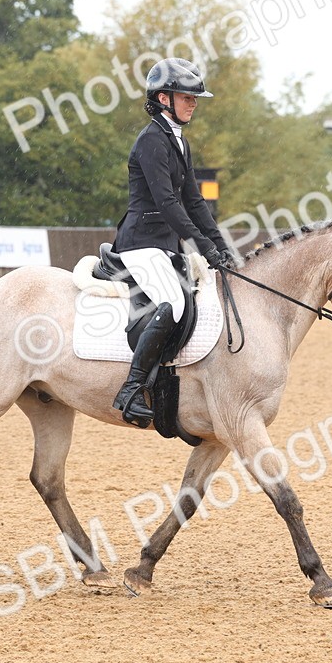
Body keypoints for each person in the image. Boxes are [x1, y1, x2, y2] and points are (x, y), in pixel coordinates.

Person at [110, 57, 234, 428]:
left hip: (165, 245)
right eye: (188, 97)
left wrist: (219, 244)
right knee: (173, 304)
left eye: (196, 98)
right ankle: (130, 389)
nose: (194, 103)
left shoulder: (178, 141)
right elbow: (167, 203)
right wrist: (200, 245)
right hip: (141, 242)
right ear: (164, 98)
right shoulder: (151, 141)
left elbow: (194, 201)